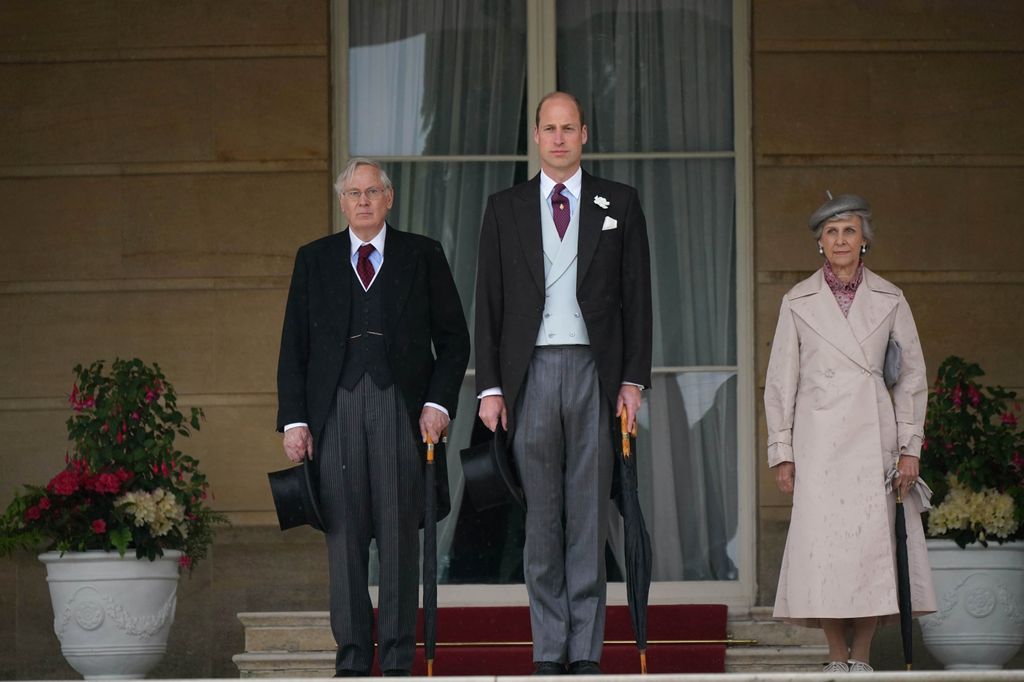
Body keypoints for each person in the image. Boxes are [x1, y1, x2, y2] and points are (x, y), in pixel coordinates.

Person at [474, 92, 652, 675]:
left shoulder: (618, 201)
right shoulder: (505, 207)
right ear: (535, 135)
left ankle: (585, 651)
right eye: (548, 128)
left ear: (584, 134)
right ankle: (549, 648)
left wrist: (632, 380)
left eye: (567, 128)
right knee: (540, 519)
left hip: (594, 373)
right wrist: (491, 387)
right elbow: (490, 305)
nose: (558, 138)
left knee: (589, 515)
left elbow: (637, 300)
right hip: (530, 375)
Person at [276, 158, 470, 676]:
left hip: (401, 412)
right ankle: (353, 663)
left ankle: (400, 661)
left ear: (389, 198)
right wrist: (294, 419)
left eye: (372, 191)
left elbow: (454, 339)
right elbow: (294, 345)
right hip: (334, 414)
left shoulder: (422, 254)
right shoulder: (314, 259)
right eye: (354, 193)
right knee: (343, 541)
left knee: (400, 537)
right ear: (342, 202)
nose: (363, 200)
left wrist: (438, 403)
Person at [764, 193, 936, 673]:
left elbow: (912, 379)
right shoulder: (797, 300)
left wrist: (909, 448)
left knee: (869, 554)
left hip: (874, 444)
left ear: (864, 241)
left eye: (850, 231)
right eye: (831, 232)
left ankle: (861, 659)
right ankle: (835, 658)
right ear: (820, 242)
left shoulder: (891, 298)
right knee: (826, 555)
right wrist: (783, 450)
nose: (840, 240)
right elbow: (781, 381)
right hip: (818, 448)